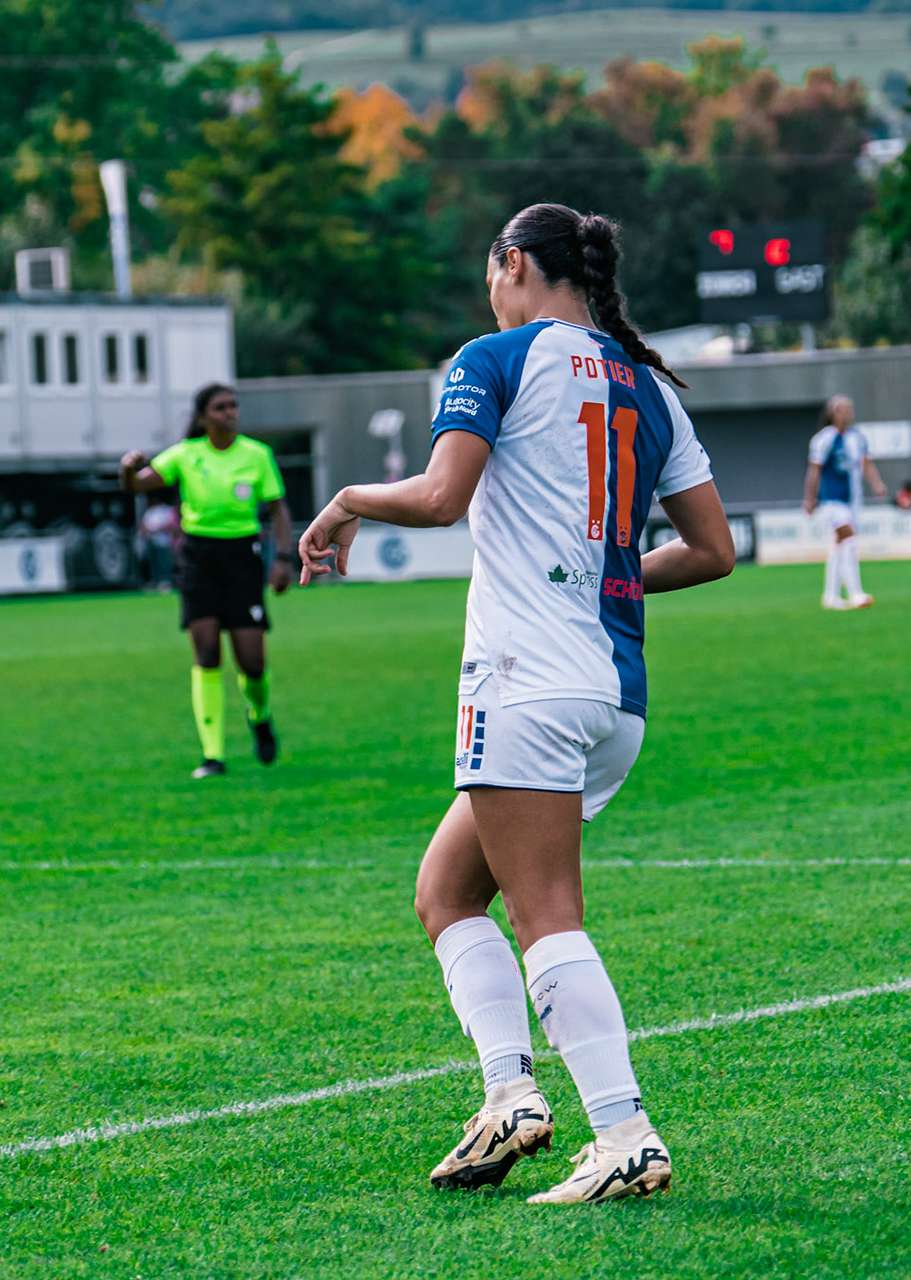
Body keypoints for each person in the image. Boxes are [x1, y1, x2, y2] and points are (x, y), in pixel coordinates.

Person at [298, 204, 734, 1205]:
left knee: (545, 915)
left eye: (489, 267)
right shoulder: (651, 387)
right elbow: (714, 551)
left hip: (526, 680)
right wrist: (606, 577)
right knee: (446, 890)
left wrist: (352, 497)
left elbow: (445, 496)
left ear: (511, 264)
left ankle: (624, 1129)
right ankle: (509, 1096)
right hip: (612, 693)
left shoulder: (496, 356)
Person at [119, 384, 294, 778]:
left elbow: (277, 507)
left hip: (243, 557)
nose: (230, 412)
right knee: (207, 652)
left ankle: (259, 715)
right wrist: (127, 469)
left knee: (252, 661)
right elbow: (136, 485)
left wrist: (283, 559)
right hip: (198, 559)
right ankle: (212, 755)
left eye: (233, 405)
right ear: (202, 418)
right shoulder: (186, 454)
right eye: (220, 407)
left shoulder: (256, 454)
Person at [802, 394, 888, 610]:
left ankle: (830, 596)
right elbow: (814, 471)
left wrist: (877, 484)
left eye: (851, 409)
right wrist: (810, 499)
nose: (849, 414)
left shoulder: (857, 437)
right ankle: (855, 593)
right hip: (832, 500)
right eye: (844, 410)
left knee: (839, 545)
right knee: (848, 539)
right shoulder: (824, 439)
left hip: (853, 501)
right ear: (833, 413)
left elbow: (866, 463)